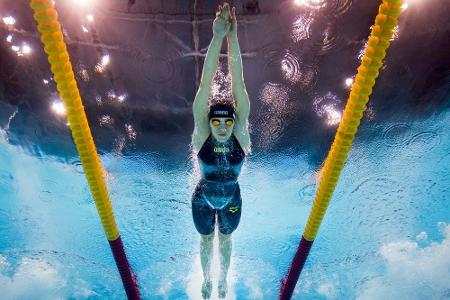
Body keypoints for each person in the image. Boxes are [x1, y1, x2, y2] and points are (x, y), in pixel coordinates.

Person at [191, 3, 251, 299]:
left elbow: (238, 83)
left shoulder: (241, 134)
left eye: (228, 121)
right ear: (209, 122)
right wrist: (217, 37)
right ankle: (206, 279)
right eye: (217, 121)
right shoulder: (201, 134)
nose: (224, 127)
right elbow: (205, 85)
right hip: (202, 199)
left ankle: (223, 280)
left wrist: (233, 37)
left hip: (231, 200)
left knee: (224, 241)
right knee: (205, 242)